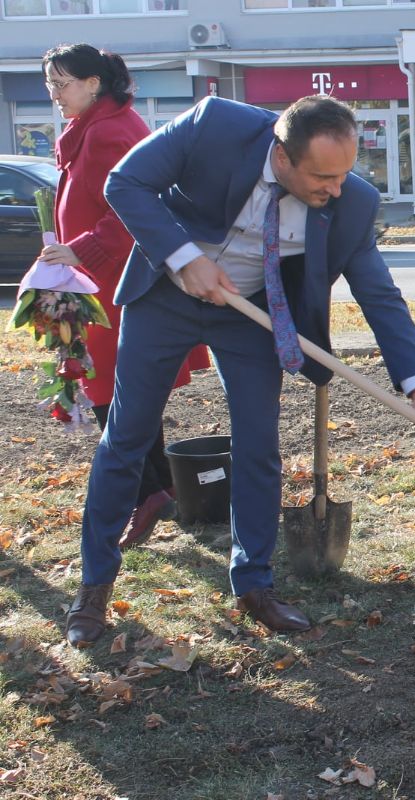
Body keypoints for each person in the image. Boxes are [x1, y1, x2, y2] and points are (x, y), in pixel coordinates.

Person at [64, 95, 415, 648]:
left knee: (258, 445)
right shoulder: (213, 126)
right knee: (127, 435)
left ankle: (253, 583)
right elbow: (124, 183)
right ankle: (94, 585)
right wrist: (184, 257)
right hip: (165, 298)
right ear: (282, 155)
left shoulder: (352, 202)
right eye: (322, 177)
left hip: (250, 315)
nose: (336, 189)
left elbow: (380, 296)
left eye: (344, 173)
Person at [40, 43, 210, 551]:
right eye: (50, 85)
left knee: (107, 391)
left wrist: (81, 250)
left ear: (93, 84)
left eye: (61, 84)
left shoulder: (109, 131)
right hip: (103, 281)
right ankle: (164, 490)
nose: (54, 95)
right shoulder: (96, 126)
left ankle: (148, 492)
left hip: (114, 285)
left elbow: (137, 207)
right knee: (126, 392)